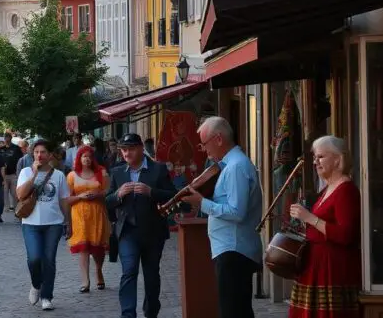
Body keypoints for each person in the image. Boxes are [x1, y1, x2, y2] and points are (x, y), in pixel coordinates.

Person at [182, 116, 263, 318]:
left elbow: (236, 212)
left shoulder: (236, 166)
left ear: (218, 139)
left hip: (234, 250)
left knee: (233, 311)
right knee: (235, 309)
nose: (203, 148)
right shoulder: (229, 165)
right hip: (230, 249)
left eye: (204, 143)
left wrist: (202, 203)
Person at [287, 135, 360, 318]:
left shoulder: (346, 190)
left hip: (332, 269)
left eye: (321, 157)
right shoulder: (328, 188)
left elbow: (346, 235)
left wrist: (310, 218)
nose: (315, 162)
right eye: (315, 158)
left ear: (337, 159)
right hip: (316, 267)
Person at [106, 134, 176, 318]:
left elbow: (173, 196)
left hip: (153, 232)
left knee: (151, 275)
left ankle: (151, 311)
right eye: (123, 149)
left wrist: (151, 192)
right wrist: (118, 194)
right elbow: (108, 201)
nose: (126, 153)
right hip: (127, 231)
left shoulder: (158, 169)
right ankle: (128, 314)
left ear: (140, 149)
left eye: (129, 149)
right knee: (129, 271)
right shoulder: (118, 172)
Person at [16, 139, 71, 311]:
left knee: (49, 260)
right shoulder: (26, 172)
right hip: (30, 223)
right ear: (33, 154)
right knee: (34, 259)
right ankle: (35, 285)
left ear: (50, 155)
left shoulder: (59, 175)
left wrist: (68, 221)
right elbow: (20, 195)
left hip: (53, 224)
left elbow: (64, 200)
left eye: (43, 152)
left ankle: (47, 296)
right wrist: (34, 174)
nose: (39, 155)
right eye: (36, 152)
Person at [66, 145, 111, 293]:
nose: (87, 159)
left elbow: (109, 193)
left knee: (98, 249)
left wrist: (97, 195)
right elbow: (67, 198)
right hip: (79, 216)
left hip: (97, 214)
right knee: (84, 247)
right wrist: (79, 197)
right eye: (84, 156)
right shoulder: (72, 175)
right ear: (79, 158)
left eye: (89, 156)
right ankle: (85, 281)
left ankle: (99, 271)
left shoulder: (101, 173)